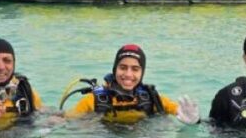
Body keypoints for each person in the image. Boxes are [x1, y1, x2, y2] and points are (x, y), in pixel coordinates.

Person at [62, 44, 199, 124]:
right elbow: (67, 120)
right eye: (123, 67)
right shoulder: (93, 101)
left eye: (135, 69)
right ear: (114, 69)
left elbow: (177, 111)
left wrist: (194, 122)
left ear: (142, 72)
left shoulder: (152, 98)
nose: (128, 74)